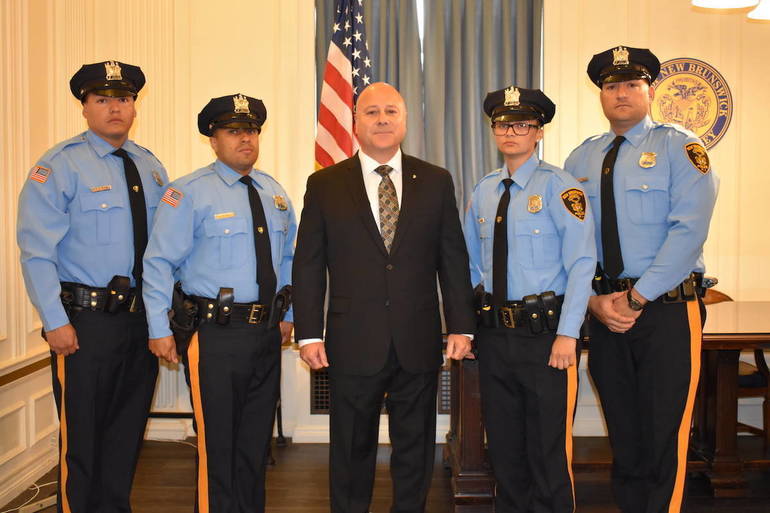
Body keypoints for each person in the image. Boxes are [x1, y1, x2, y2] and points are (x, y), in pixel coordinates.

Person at [293, 82, 476, 513]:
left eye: (391, 111)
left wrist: (461, 325)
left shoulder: (435, 180)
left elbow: (452, 259)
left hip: (418, 338)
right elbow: (308, 264)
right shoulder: (324, 184)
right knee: (350, 450)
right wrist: (307, 334)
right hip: (351, 340)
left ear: (405, 121)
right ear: (355, 122)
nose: (381, 119)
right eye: (371, 112)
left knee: (414, 449)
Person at [564, 46, 719, 513]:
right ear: (601, 96)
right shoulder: (581, 158)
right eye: (612, 86)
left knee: (664, 432)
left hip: (665, 312)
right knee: (625, 431)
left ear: (650, 90)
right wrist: (593, 300)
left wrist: (635, 299)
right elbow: (572, 240)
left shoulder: (681, 147)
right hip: (606, 313)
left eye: (632, 84)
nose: (621, 93)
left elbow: (688, 231)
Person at [17, 60, 166, 513]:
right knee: (82, 438)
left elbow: (164, 250)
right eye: (102, 99)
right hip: (85, 324)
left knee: (126, 432)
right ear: (85, 107)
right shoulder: (60, 166)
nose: (114, 108)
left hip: (140, 322)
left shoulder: (152, 167)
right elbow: (36, 251)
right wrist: (55, 322)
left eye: (123, 99)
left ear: (134, 107)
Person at [141, 94, 296, 513]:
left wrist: (289, 315)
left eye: (251, 130)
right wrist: (158, 328)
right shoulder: (188, 193)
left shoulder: (273, 193)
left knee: (254, 442)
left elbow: (288, 259)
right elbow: (158, 263)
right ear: (213, 139)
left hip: (265, 333)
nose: (245, 139)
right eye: (233, 131)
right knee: (218, 443)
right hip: (215, 336)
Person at [464, 86, 596, 513]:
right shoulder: (483, 191)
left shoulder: (560, 188)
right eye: (503, 124)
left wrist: (568, 334)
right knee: (503, 450)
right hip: (495, 338)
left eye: (522, 124)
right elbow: (470, 267)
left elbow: (582, 264)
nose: (511, 132)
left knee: (548, 451)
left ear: (538, 132)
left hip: (546, 341)